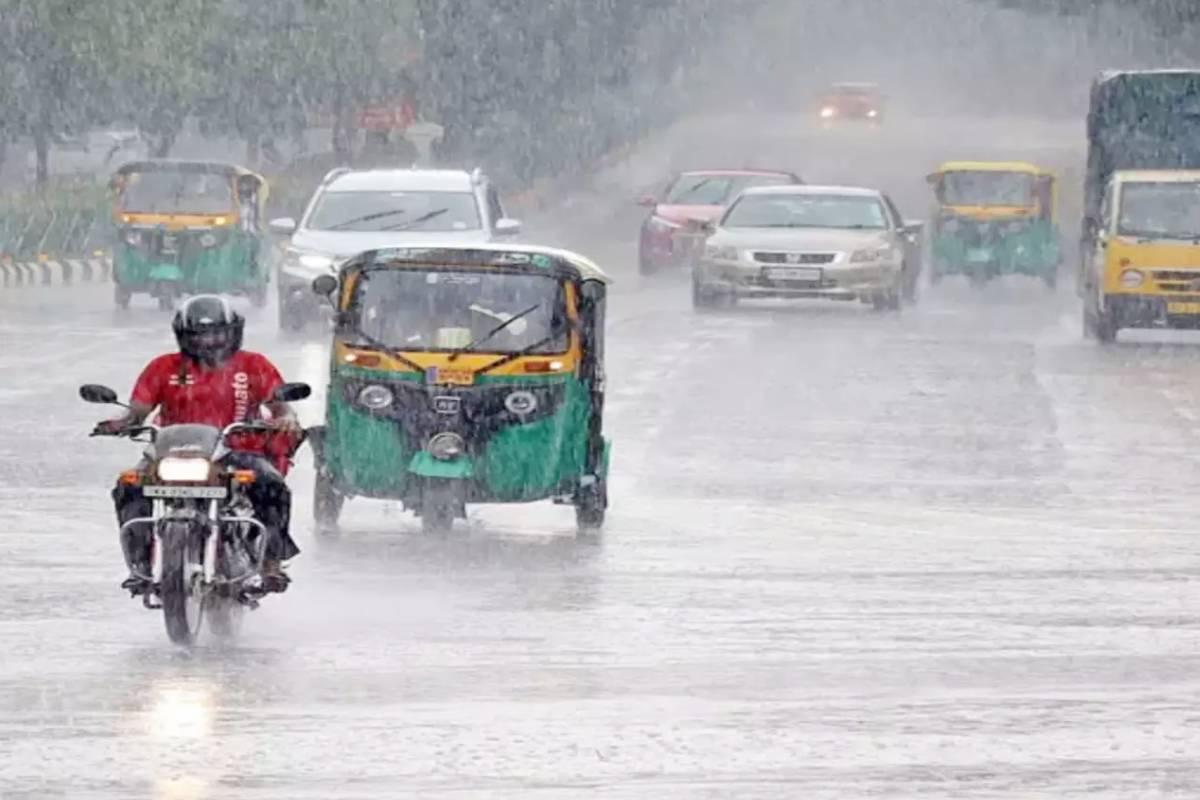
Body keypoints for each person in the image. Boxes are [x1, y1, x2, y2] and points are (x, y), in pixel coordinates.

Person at [93, 295, 303, 595]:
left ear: (234, 332)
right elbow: (137, 410)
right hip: (172, 452)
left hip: (237, 452)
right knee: (129, 486)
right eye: (200, 335)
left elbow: (282, 408)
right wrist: (117, 422)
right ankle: (139, 565)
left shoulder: (254, 365)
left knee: (272, 486)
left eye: (217, 333)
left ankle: (271, 562)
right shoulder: (163, 367)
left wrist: (287, 419)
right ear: (183, 336)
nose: (209, 342)